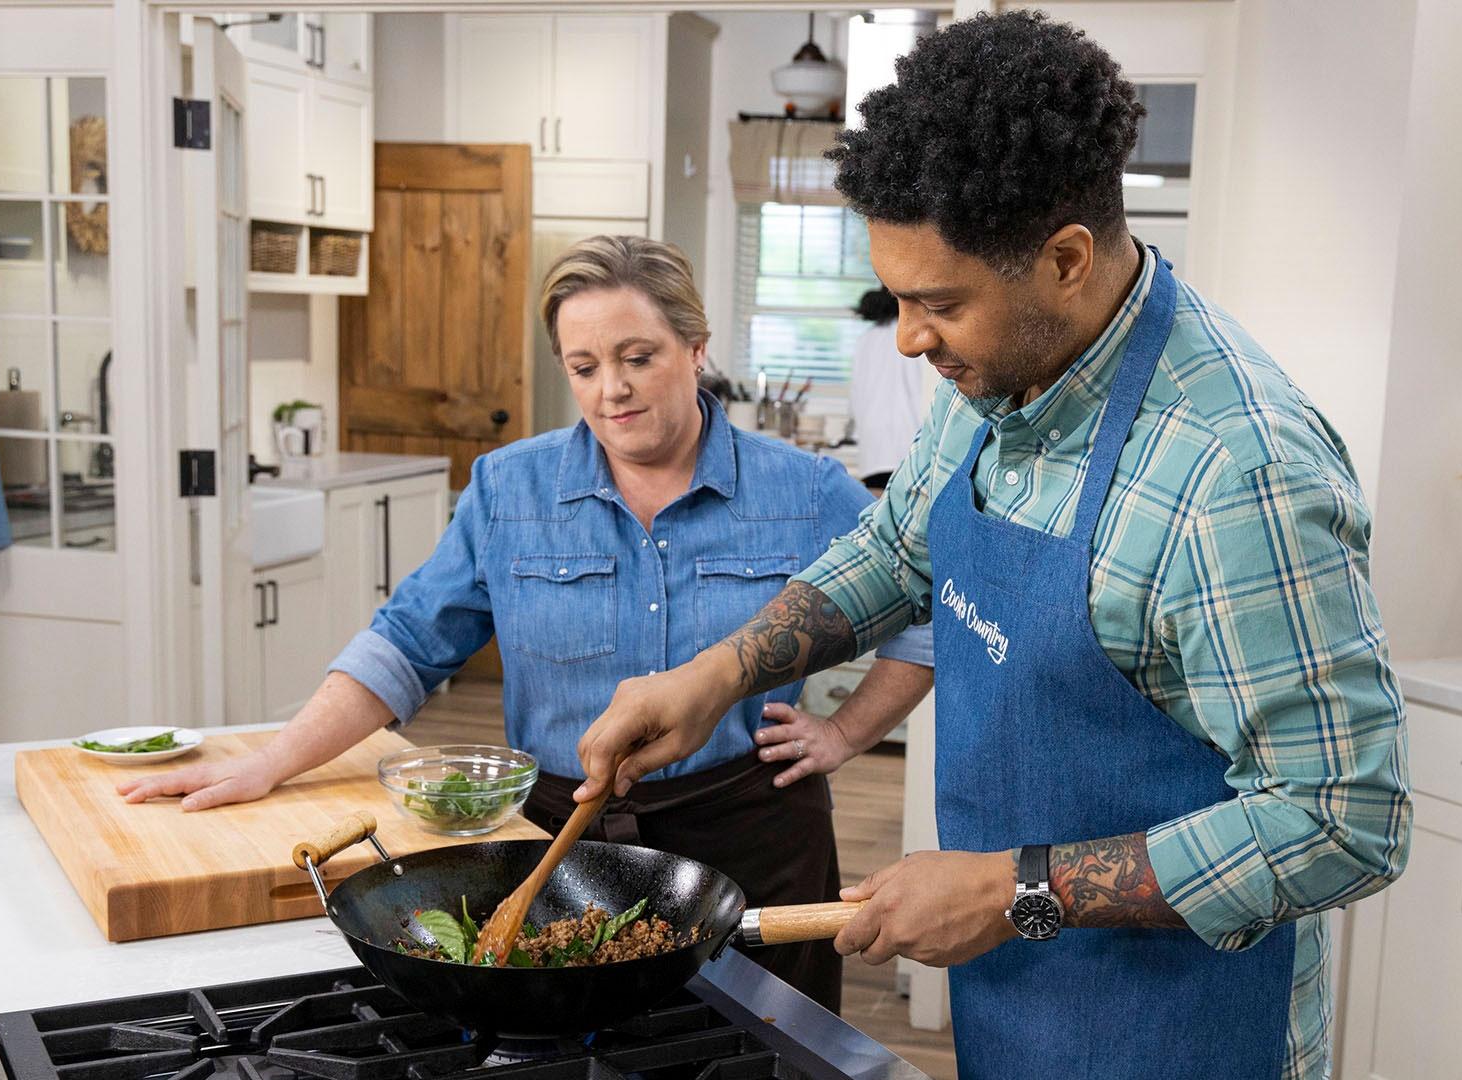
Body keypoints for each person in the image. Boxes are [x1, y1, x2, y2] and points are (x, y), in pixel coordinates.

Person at [568, 14, 1410, 1080]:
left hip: (1183, 1029)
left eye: (940, 303)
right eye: (901, 297)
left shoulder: (1236, 474)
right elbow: (897, 550)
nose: (909, 337)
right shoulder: (1000, 373)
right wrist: (716, 674)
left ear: (1065, 261)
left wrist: (1015, 892)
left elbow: (1344, 820)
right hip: (1018, 997)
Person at [118, 235, 933, 1011]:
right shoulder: (508, 491)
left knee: (768, 1050)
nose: (611, 389)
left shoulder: (804, 490)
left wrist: (846, 732)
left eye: (638, 358)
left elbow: (925, 612)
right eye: (584, 367)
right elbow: (407, 643)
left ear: (696, 349)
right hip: (556, 850)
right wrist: (271, 761)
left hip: (753, 836)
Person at [847, 286, 927, 491]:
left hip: (873, 452)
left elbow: (855, 397)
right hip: (911, 449)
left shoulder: (866, 339)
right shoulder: (919, 337)